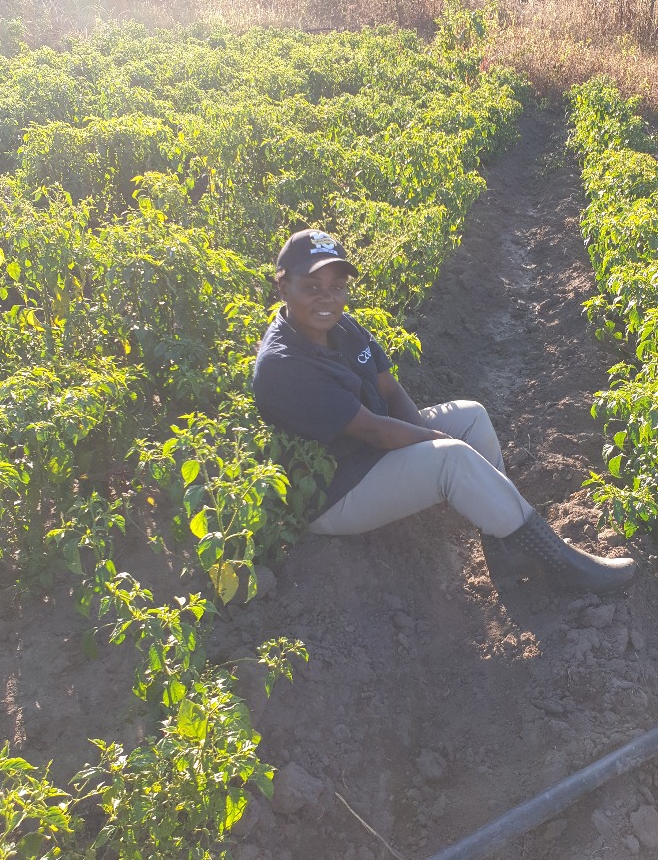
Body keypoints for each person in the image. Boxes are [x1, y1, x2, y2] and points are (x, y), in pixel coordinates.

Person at [252, 229, 636, 594]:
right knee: (451, 458)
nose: (327, 298)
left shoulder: (343, 327)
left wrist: (422, 437)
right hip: (334, 494)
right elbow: (376, 432)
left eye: (337, 288)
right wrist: (432, 442)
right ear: (283, 285)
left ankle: (506, 553)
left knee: (471, 416)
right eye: (312, 288)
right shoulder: (284, 365)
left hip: (365, 457)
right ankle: (561, 565)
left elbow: (389, 388)